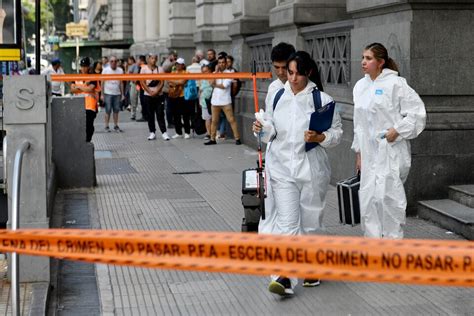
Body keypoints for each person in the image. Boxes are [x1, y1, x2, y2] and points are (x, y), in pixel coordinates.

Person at [253, 51, 342, 296]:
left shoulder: (322, 99)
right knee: (287, 223)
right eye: (289, 73)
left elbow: (336, 134)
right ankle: (284, 277)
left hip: (311, 169)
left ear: (308, 73)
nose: (291, 78)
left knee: (311, 222)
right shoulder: (278, 95)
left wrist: (321, 137)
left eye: (297, 74)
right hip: (281, 169)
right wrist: (261, 129)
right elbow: (270, 132)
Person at [352, 43, 426, 239]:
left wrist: (397, 131)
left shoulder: (396, 84)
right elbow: (358, 123)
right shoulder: (361, 86)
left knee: (389, 200)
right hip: (369, 154)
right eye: (363, 57)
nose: (363, 62)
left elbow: (417, 115)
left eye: (368, 58)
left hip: (390, 152)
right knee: (369, 201)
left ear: (380, 62)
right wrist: (358, 152)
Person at [204, 54, 241, 145]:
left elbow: (224, 86)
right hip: (215, 101)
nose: (221, 64)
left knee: (231, 120)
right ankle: (212, 139)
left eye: (223, 62)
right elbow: (210, 83)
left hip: (226, 101)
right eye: (219, 63)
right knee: (214, 121)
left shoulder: (229, 73)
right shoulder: (214, 73)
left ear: (225, 63)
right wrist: (216, 72)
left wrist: (215, 85)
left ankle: (237, 138)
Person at [140, 53, 170, 141]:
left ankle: (164, 132)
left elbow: (162, 82)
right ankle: (152, 132)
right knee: (150, 114)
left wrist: (157, 91)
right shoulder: (144, 69)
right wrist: (149, 91)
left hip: (159, 95)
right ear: (148, 59)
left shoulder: (160, 69)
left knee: (160, 113)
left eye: (155, 58)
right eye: (152, 58)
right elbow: (142, 82)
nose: (154, 60)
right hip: (148, 95)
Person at [70, 57, 99, 142]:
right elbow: (72, 89)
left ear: (89, 67)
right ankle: (81, 142)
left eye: (85, 66)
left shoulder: (92, 77)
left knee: (89, 126)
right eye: (82, 66)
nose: (83, 68)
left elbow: (90, 89)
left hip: (90, 106)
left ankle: (87, 142)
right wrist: (84, 86)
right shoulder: (76, 77)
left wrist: (78, 87)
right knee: (79, 126)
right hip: (78, 106)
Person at [168, 58, 191, 139]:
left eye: (179, 64)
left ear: (183, 65)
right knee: (176, 115)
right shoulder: (173, 72)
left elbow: (182, 82)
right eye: (176, 64)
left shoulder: (186, 73)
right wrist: (177, 82)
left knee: (185, 115)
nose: (177, 65)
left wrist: (175, 82)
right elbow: (169, 81)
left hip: (183, 96)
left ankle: (187, 132)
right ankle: (178, 132)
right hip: (174, 96)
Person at [101, 56, 125, 132]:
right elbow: (102, 83)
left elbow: (121, 83)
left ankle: (115, 125)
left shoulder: (120, 70)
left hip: (117, 93)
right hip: (108, 93)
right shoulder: (105, 70)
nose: (113, 63)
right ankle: (106, 126)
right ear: (109, 62)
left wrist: (122, 94)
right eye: (112, 61)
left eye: (115, 61)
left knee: (116, 110)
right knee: (107, 110)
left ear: (117, 62)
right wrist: (102, 94)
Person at [198, 65, 213, 139]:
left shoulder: (213, 78)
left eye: (206, 71)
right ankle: (208, 133)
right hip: (204, 102)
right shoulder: (201, 79)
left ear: (209, 70)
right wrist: (199, 101)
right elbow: (200, 91)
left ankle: (214, 133)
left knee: (213, 118)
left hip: (213, 101)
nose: (204, 73)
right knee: (207, 118)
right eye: (203, 71)